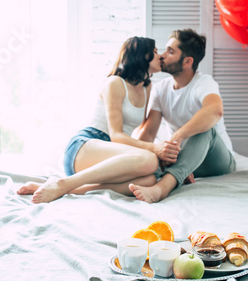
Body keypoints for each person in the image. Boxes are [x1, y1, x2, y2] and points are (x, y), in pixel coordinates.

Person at [17, 37, 179, 203]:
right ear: (141, 56)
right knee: (150, 159)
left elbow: (138, 134)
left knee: (149, 180)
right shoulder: (115, 83)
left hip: (113, 154)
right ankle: (64, 183)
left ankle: (65, 187)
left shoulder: (146, 88)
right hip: (87, 144)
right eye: (154, 52)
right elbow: (116, 136)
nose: (160, 56)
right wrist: (154, 150)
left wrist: (164, 160)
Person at [129, 29, 236, 203]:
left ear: (187, 61)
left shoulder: (204, 83)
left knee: (204, 130)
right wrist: (146, 156)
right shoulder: (160, 88)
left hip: (216, 160)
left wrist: (177, 136)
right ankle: (182, 170)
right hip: (184, 157)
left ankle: (162, 188)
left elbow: (215, 111)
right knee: (151, 158)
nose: (162, 56)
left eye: (170, 52)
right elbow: (148, 134)